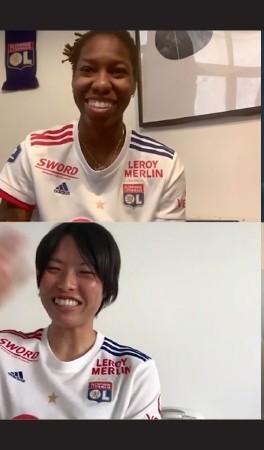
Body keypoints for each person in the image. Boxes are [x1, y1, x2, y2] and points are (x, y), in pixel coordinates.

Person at [0, 30, 186, 222]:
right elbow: (9, 241)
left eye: (118, 72)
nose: (101, 84)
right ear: (73, 79)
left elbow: (166, 248)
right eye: (88, 70)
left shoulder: (165, 165)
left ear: (133, 85)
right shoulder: (34, 152)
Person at [0, 222, 162, 419]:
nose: (66, 283)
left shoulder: (134, 370)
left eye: (85, 272)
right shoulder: (5, 352)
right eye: (53, 268)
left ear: (107, 286)